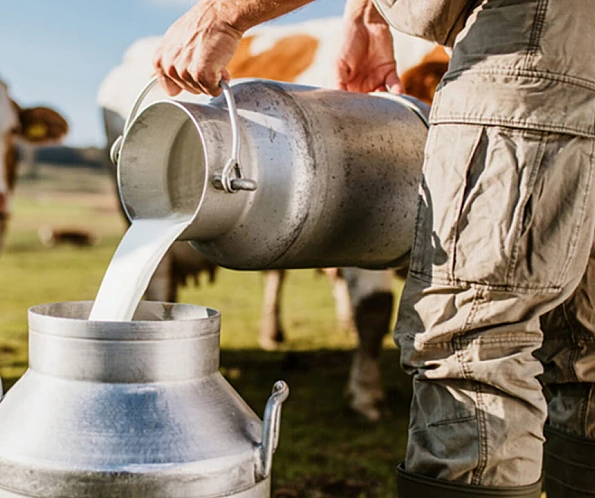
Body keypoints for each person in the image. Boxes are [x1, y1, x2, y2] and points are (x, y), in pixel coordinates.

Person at [152, 0, 595, 496]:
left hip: (525, 38)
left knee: (471, 342)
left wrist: (220, 15)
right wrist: (367, 14)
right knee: (582, 344)